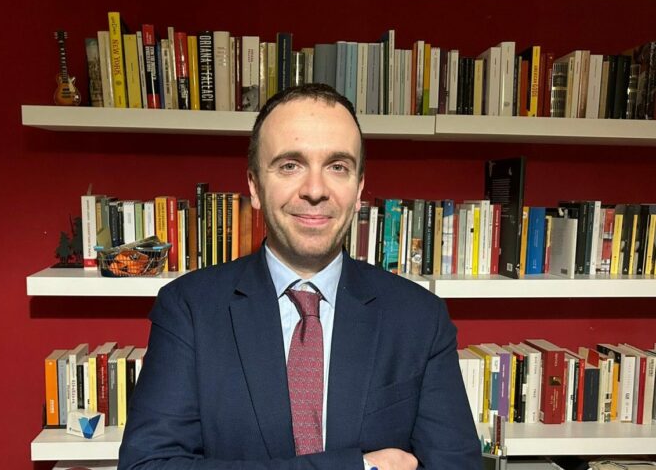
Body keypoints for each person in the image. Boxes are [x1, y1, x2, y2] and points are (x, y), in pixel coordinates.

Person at [118, 83, 480, 470]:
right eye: (290, 165)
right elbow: (147, 466)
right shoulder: (189, 308)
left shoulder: (420, 317)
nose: (315, 190)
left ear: (359, 189)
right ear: (255, 186)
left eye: (338, 166)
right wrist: (356, 468)